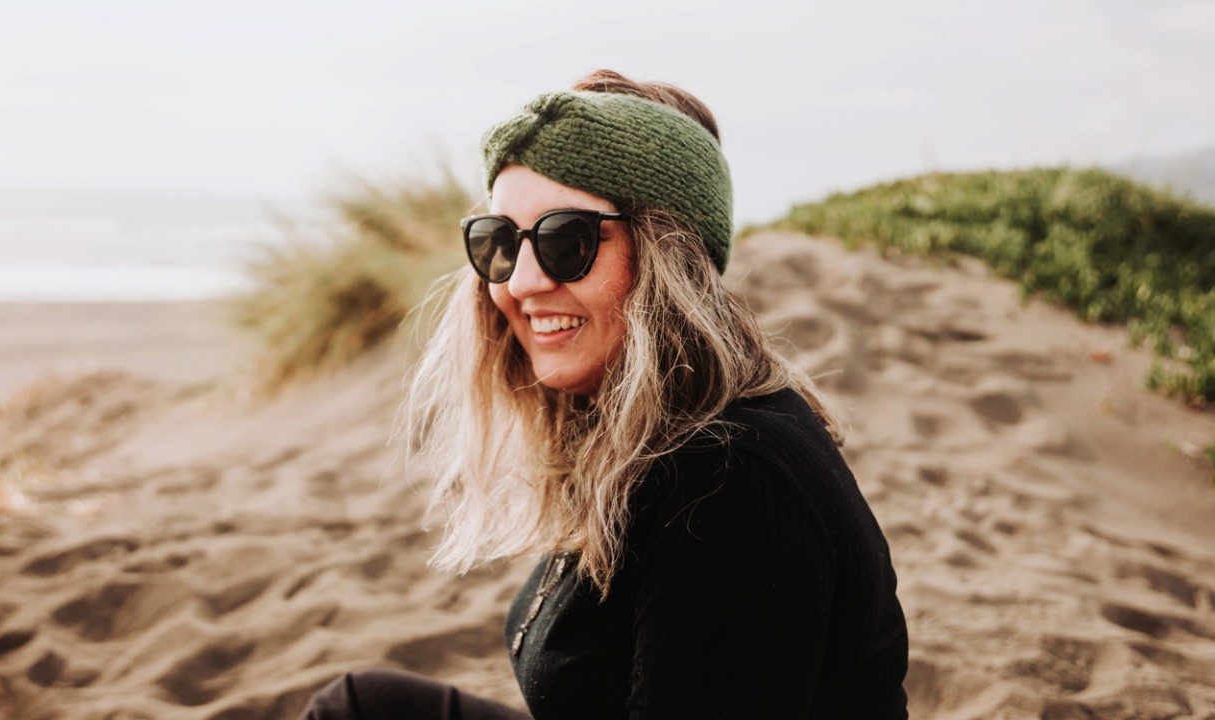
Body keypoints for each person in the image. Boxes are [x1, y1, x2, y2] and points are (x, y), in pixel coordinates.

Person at [299, 69, 909, 720]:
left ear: (667, 255)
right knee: (362, 708)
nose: (523, 281)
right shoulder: (640, 433)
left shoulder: (727, 482)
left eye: (568, 241)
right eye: (499, 242)